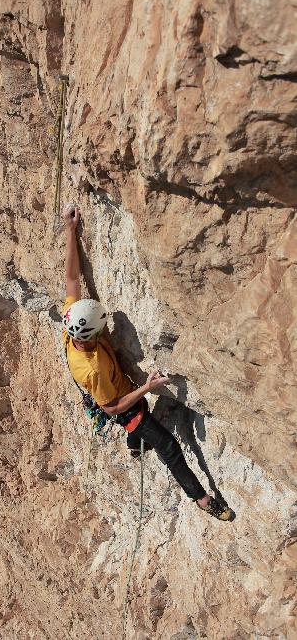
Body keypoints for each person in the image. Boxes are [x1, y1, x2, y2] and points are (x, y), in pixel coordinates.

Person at [61, 203, 231, 521]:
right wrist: (148, 388)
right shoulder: (93, 367)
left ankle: (135, 444)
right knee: (168, 446)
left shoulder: (72, 325)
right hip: (122, 405)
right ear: (92, 334)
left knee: (142, 436)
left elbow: (72, 279)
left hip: (115, 389)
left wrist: (71, 231)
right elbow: (112, 407)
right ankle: (203, 499)